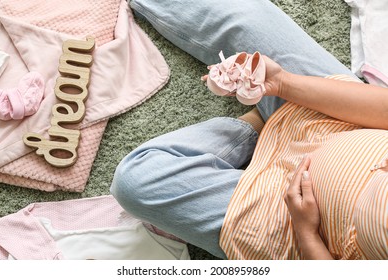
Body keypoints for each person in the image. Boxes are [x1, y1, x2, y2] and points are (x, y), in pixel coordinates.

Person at [110, 0, 388, 260]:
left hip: (289, 220)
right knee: (241, 20)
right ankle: (265, 116)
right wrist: (283, 83)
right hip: (344, 122)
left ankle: (254, 125)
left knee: (136, 181)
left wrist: (307, 235)